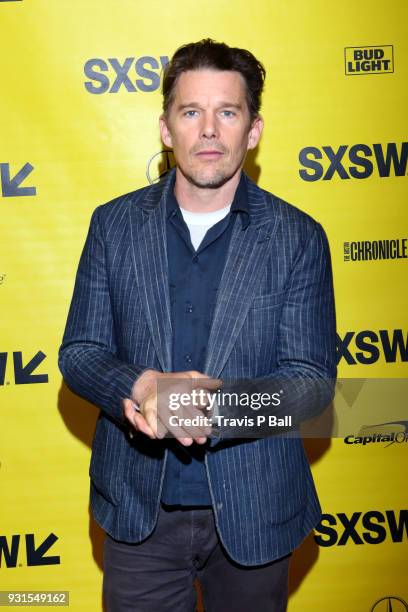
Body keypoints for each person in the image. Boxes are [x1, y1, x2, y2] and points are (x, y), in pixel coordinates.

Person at [59, 39, 337, 612]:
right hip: (139, 512)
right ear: (166, 128)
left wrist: (204, 409)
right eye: (191, 112)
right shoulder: (113, 226)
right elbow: (80, 352)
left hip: (257, 510)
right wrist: (138, 386)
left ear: (253, 130)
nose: (209, 130)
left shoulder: (298, 237)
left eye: (227, 112)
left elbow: (310, 383)